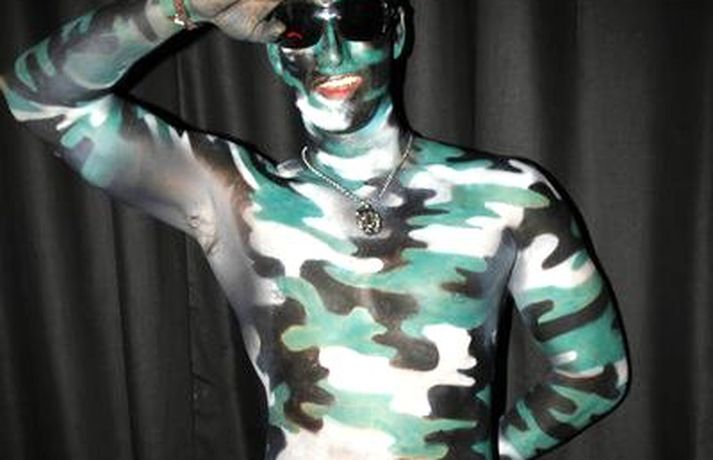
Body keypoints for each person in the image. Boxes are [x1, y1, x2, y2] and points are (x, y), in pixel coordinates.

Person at [0, 0, 630, 458]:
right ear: (278, 54)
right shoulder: (236, 195)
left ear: (396, 31)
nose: (331, 52)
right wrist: (182, 8)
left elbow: (596, 376)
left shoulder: (508, 194)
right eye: (303, 27)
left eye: (357, 21)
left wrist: (493, 451)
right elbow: (39, 97)